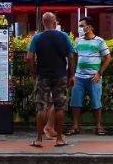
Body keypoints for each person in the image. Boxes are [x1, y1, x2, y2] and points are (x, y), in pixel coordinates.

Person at [25, 12, 76, 148]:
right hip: (60, 75)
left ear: (43, 23)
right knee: (60, 107)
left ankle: (39, 139)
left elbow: (29, 57)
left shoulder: (37, 38)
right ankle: (59, 139)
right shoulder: (64, 36)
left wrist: (34, 71)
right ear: (55, 22)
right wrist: (71, 74)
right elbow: (71, 56)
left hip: (43, 75)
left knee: (41, 107)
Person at [69, 16, 112, 136]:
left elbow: (108, 58)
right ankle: (75, 126)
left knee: (96, 102)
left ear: (90, 27)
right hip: (79, 77)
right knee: (75, 102)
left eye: (82, 26)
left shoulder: (99, 41)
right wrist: (73, 74)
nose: (80, 28)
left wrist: (99, 73)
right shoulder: (78, 41)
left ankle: (98, 126)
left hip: (94, 78)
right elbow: (75, 56)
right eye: (79, 26)